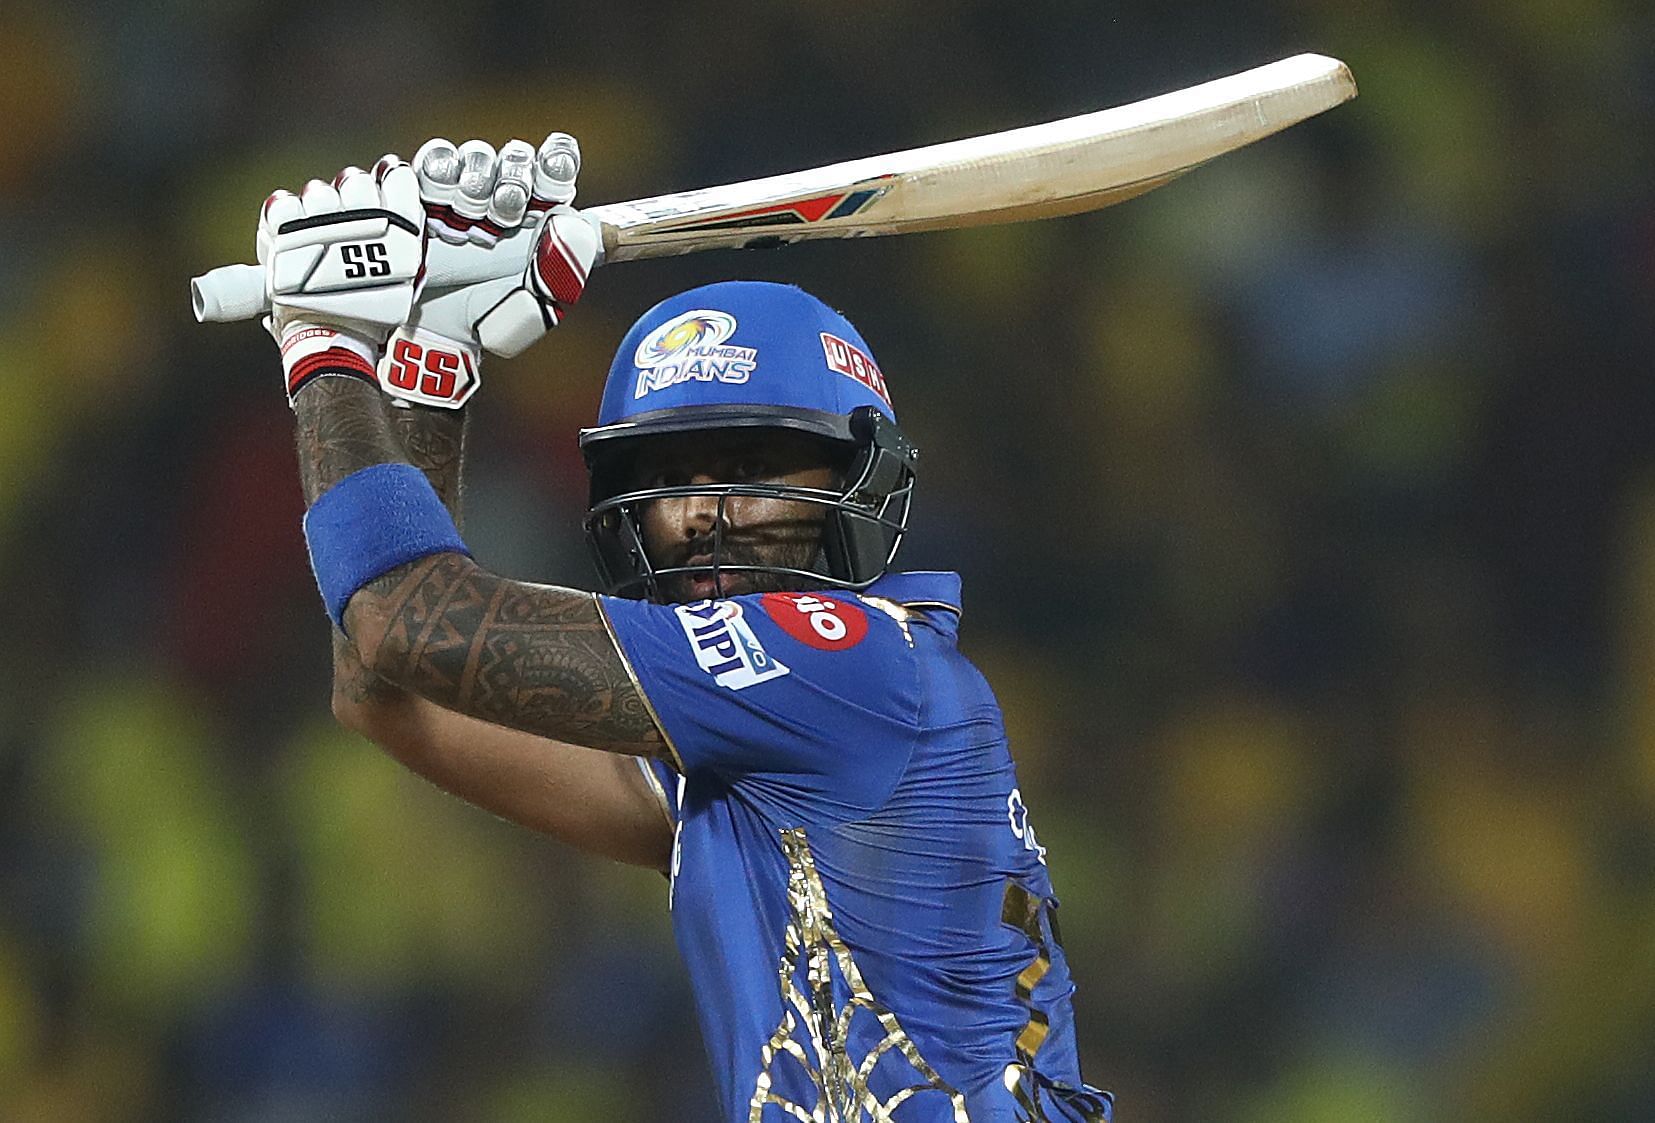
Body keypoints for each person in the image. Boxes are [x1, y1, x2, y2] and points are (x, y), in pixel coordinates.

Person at [264, 132, 1112, 1122]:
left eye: (755, 463)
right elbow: (385, 693)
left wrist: (323, 343)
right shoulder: (740, 764)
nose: (709, 512)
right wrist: (429, 359)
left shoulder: (851, 662)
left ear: (855, 481)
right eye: (671, 478)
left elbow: (406, 620)